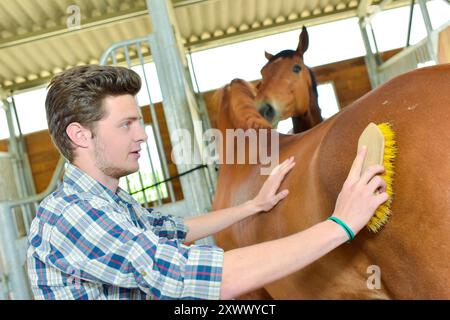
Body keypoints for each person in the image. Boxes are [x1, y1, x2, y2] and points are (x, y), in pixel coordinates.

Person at [27, 65, 388, 300]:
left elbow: (174, 229)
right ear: (80, 135)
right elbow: (190, 275)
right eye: (126, 124)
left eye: (139, 122)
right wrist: (339, 226)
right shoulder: (70, 215)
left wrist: (252, 206)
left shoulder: (110, 202)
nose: (143, 136)